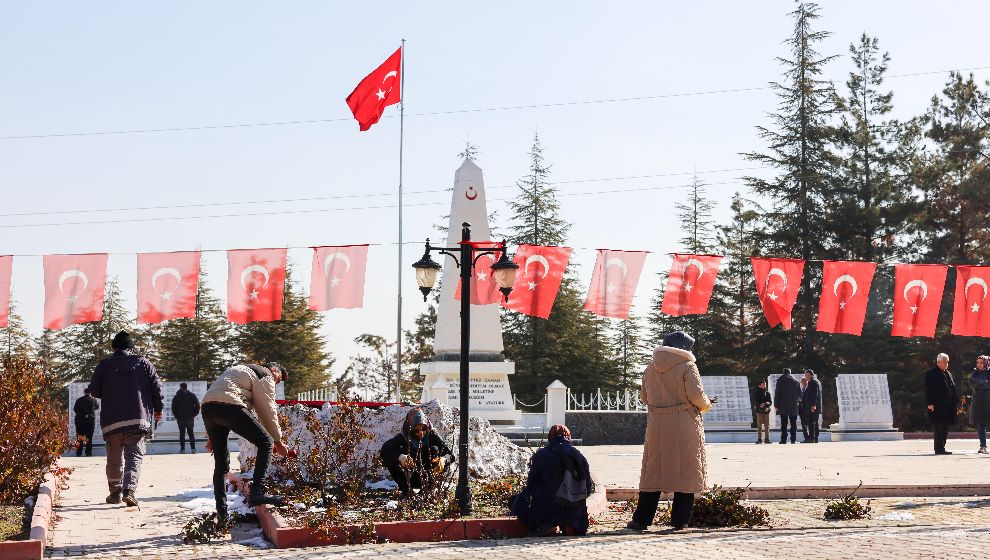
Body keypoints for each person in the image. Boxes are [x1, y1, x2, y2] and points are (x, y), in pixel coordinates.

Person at [627, 331, 714, 532]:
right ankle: (679, 521)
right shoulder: (687, 366)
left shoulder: (650, 368)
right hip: (683, 422)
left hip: (657, 423)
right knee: (686, 472)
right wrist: (707, 404)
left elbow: (645, 397)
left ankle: (641, 520)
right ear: (683, 349)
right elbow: (696, 395)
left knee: (653, 473)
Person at [201, 362, 291, 521]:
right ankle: (257, 492)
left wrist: (211, 436)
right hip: (230, 404)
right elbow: (267, 410)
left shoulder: (240, 370)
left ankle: (222, 514)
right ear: (275, 370)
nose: (276, 384)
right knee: (266, 443)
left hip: (208, 407)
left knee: (221, 463)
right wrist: (278, 442)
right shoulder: (265, 374)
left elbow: (219, 394)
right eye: (278, 380)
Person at [86, 331, 163, 507]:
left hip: (111, 420)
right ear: (131, 347)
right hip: (137, 418)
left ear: (114, 348)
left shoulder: (104, 365)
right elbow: (156, 387)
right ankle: (129, 491)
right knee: (134, 455)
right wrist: (158, 409)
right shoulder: (143, 363)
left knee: (114, 457)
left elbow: (95, 391)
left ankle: (114, 493)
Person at [509, 424, 593, 536]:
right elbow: (588, 487)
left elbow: (531, 484)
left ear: (550, 437)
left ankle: (546, 525)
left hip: (548, 508)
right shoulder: (579, 456)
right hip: (574, 511)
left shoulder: (542, 455)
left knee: (516, 501)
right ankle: (571, 525)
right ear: (569, 437)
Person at [379, 408, 454, 498]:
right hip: (409, 477)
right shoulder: (404, 437)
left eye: (423, 429)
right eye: (416, 430)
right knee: (391, 459)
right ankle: (407, 492)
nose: (421, 433)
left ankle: (427, 490)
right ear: (410, 428)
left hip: (428, 476)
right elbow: (385, 449)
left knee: (434, 449)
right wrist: (401, 457)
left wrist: (443, 460)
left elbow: (450, 456)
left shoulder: (432, 436)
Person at [925, 353, 958, 455]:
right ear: (938, 362)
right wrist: (930, 403)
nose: (946, 364)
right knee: (938, 427)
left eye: (947, 362)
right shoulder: (931, 373)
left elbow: (952, 388)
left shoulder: (948, 373)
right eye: (945, 362)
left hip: (948, 406)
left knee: (945, 427)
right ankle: (938, 449)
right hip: (937, 405)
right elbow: (928, 389)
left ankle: (942, 447)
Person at [171, 383, 201, 453]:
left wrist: (176, 416)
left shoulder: (176, 396)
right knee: (191, 433)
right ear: (186, 387)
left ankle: (182, 449)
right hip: (190, 417)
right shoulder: (192, 395)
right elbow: (197, 405)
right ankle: (193, 449)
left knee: (182, 433)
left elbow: (173, 408)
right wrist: (194, 414)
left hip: (180, 418)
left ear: (180, 387)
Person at [969, 355, 990, 454]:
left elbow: (988, 384)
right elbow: (972, 382)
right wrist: (983, 382)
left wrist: (979, 383)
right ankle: (983, 446)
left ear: (986, 362)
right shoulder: (975, 372)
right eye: (978, 362)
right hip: (978, 402)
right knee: (980, 425)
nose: (979, 364)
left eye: (981, 362)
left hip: (988, 401)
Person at [774, 368, 801, 445]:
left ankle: (783, 440)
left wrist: (776, 404)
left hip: (783, 404)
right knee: (793, 423)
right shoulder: (796, 380)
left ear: (783, 373)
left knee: (784, 423)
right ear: (790, 372)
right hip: (794, 405)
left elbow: (778, 392)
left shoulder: (780, 380)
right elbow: (799, 394)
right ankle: (793, 440)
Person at [73, 388, 100, 457]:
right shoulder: (93, 400)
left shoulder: (79, 400)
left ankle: (78, 453)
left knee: (79, 437)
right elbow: (97, 407)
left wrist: (83, 415)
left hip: (80, 421)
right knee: (89, 437)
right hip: (90, 421)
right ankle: (88, 453)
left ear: (84, 392)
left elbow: (75, 409)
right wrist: (89, 412)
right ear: (90, 393)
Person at [802, 369, 823, 443]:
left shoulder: (813, 382)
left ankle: (811, 438)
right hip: (814, 405)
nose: (805, 377)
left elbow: (814, 394)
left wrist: (813, 405)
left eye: (806, 375)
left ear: (810, 375)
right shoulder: (816, 381)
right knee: (814, 422)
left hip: (812, 406)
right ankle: (815, 438)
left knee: (811, 422)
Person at [752, 380, 772, 444]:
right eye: (763, 385)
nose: (764, 386)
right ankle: (759, 439)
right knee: (759, 426)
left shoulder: (768, 393)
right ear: (759, 385)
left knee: (767, 426)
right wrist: (763, 406)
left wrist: (766, 405)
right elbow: (757, 402)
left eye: (765, 385)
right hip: (759, 412)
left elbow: (770, 402)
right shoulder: (756, 393)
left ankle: (767, 439)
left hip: (766, 411)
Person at [799, 376, 810, 442]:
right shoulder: (801, 390)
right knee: (803, 425)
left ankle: (810, 437)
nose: (803, 382)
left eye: (804, 380)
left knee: (809, 424)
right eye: (802, 381)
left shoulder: (809, 389)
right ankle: (806, 438)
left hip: (808, 410)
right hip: (802, 410)